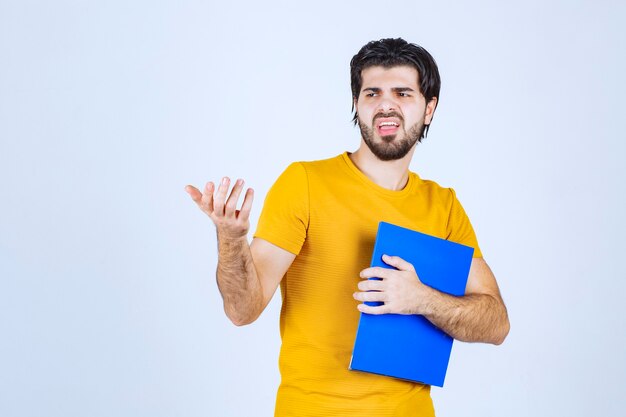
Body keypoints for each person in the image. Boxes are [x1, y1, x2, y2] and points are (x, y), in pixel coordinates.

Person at [185, 38, 510, 417]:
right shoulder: (304, 182)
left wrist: (422, 299)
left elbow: (496, 323)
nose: (386, 104)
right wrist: (231, 239)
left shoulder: (444, 206)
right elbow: (242, 310)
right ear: (357, 105)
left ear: (429, 109)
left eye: (403, 93)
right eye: (372, 93)